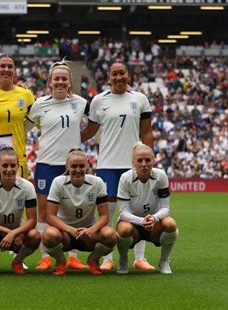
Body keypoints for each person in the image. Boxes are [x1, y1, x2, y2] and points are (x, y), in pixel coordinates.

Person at [81, 60, 154, 271]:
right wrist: (67, 138)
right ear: (109, 77)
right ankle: (107, 257)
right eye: (115, 74)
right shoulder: (98, 100)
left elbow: (146, 131)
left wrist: (148, 157)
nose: (119, 77)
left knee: (138, 210)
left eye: (122, 73)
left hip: (134, 164)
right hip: (107, 164)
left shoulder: (140, 99)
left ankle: (139, 258)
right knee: (108, 212)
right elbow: (89, 132)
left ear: (128, 75)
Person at [25, 60, 89, 271]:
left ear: (70, 82)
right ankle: (45, 257)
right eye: (57, 79)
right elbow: (22, 126)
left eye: (64, 78)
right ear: (50, 82)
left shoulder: (80, 103)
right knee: (43, 212)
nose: (60, 82)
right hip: (46, 164)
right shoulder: (39, 104)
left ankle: (72, 256)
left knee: (73, 211)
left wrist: (81, 139)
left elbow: (98, 120)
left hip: (72, 166)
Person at [42, 149, 117, 275]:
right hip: (65, 233)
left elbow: (104, 216)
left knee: (111, 235)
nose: (78, 170)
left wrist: (91, 230)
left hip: (89, 234)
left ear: (87, 165)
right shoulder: (58, 182)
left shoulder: (97, 182)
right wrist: (71, 230)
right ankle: (60, 261)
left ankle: (93, 259)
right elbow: (50, 217)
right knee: (48, 235)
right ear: (67, 166)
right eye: (74, 166)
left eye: (81, 166)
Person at [116, 142, 179, 274]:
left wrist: (154, 218)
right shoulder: (125, 178)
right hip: (133, 225)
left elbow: (165, 208)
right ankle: (123, 260)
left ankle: (164, 261)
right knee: (123, 229)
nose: (144, 164)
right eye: (140, 160)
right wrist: (141, 221)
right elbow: (123, 213)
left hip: (154, 224)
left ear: (154, 160)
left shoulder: (161, 176)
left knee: (171, 224)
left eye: (147, 160)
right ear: (133, 162)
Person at [0, 147, 40, 274]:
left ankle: (18, 260)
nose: (9, 169)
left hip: (18, 235)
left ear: (17, 167)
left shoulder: (27, 187)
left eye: (12, 166)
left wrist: (15, 233)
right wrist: (8, 232)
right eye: (5, 166)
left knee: (35, 236)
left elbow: (32, 220)